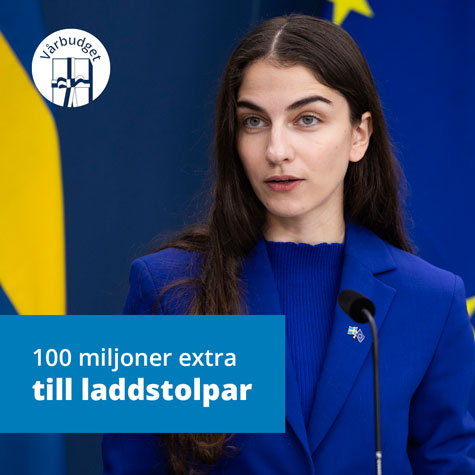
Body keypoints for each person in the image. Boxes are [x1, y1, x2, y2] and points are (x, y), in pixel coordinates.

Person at [102, 14, 475, 474]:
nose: (276, 150)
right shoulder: (167, 287)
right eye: (254, 121)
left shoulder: (432, 300)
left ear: (359, 135)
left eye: (307, 119)